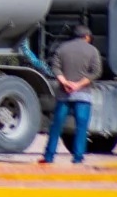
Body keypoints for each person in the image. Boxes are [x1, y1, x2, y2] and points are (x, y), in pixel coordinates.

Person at [41, 24, 102, 165]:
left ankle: (49, 156)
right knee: (81, 127)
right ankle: (78, 158)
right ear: (86, 37)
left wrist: (65, 82)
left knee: (56, 125)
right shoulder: (92, 50)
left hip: (64, 94)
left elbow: (55, 67)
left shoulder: (62, 48)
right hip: (83, 95)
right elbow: (96, 72)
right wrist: (78, 85)